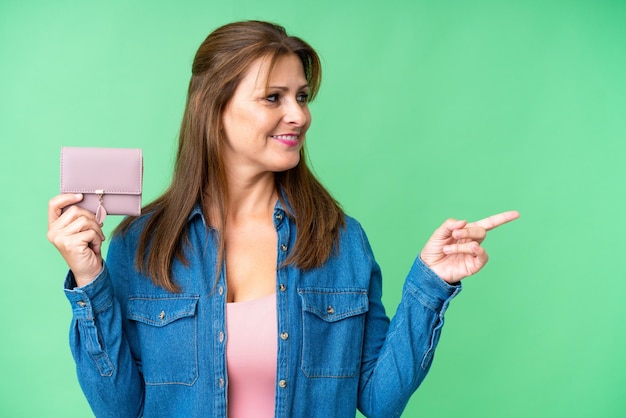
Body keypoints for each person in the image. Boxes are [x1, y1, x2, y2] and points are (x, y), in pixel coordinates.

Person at [47, 20, 519, 418]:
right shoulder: (141, 244)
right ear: (213, 108)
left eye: (302, 96)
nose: (299, 115)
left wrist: (431, 283)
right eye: (273, 97)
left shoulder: (339, 240)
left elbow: (379, 401)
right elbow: (117, 407)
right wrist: (90, 279)